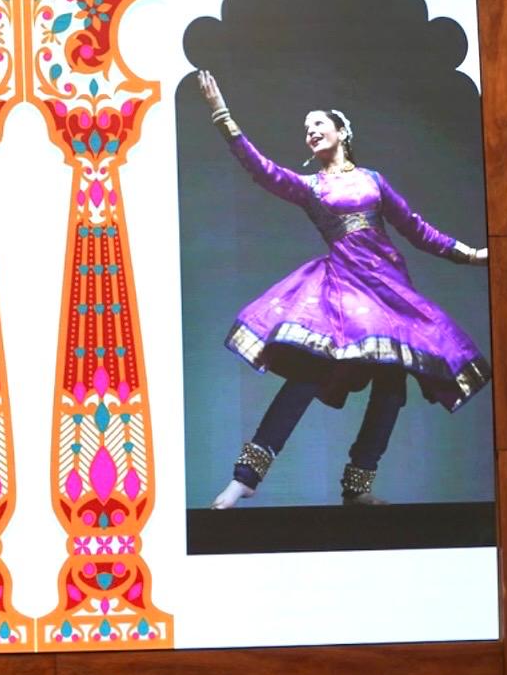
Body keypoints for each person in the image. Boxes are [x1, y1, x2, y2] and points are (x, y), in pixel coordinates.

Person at [195, 69, 490, 509]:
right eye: (306, 128)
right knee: (307, 376)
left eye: (318, 123)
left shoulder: (373, 180)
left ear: (341, 131)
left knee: (391, 388)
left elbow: (417, 229)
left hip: (388, 288)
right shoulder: (311, 187)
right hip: (342, 288)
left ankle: (357, 487)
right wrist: (223, 117)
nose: (310, 131)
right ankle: (246, 477)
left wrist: (471, 254)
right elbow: (262, 169)